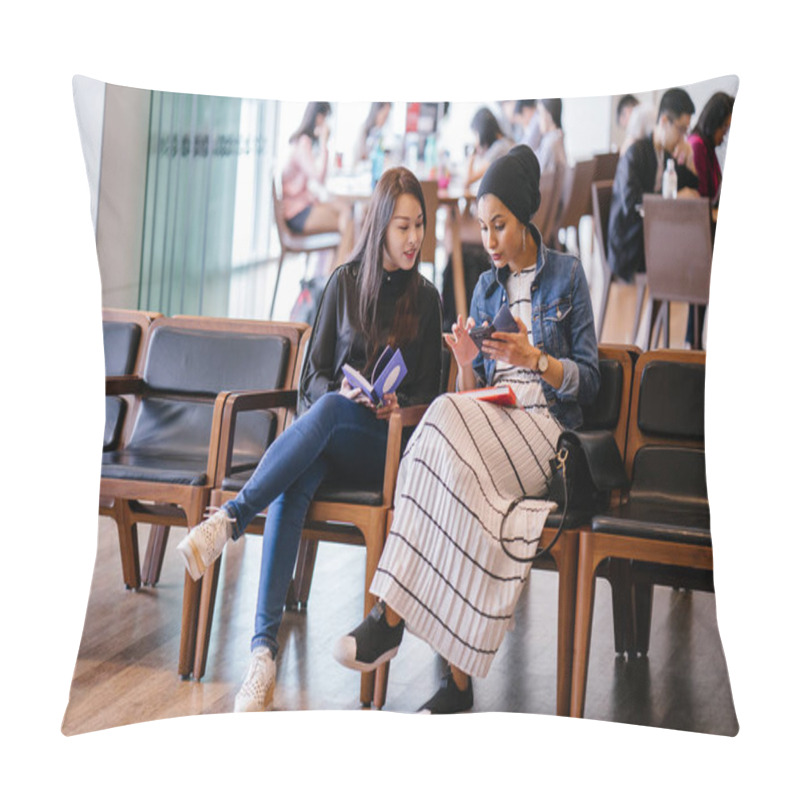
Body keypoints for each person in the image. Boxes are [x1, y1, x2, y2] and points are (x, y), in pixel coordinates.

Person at [333, 145, 600, 713]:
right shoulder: (484, 288)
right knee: (449, 452)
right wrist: (463, 363)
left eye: (499, 225)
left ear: (526, 216)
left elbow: (591, 384)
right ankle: (454, 684)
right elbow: (471, 391)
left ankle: (391, 616)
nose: (491, 240)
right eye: (483, 226)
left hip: (545, 429)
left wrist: (536, 361)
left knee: (441, 421)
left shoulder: (568, 278)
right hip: (493, 423)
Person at [176, 167, 443, 712]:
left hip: (385, 451)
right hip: (331, 433)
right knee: (298, 474)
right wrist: (347, 395)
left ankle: (230, 519)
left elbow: (432, 401)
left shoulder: (429, 298)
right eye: (401, 227)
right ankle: (262, 657)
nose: (413, 238)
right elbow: (310, 381)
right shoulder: (342, 284)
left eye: (418, 226)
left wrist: (394, 406)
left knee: (323, 417)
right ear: (379, 228)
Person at [607, 87, 700, 284]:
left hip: (651, 240)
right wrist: (673, 199)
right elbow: (633, 204)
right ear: (664, 122)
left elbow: (694, 184)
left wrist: (690, 157)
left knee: (694, 253)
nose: (683, 137)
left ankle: (673, 312)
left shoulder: (664, 155)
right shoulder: (635, 153)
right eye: (681, 130)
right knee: (692, 257)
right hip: (631, 248)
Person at [684, 91, 734, 347]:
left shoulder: (708, 148)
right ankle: (694, 340)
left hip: (705, 229)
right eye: (724, 126)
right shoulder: (698, 146)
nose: (725, 134)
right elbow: (703, 200)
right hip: (695, 236)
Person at [281, 101, 354, 269]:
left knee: (347, 212)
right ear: (319, 118)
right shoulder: (303, 143)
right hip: (298, 214)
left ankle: (334, 275)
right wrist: (323, 143)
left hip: (302, 207)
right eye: (326, 118)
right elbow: (319, 178)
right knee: (348, 220)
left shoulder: (301, 142)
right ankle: (337, 278)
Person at [464, 107, 514, 188]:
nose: (476, 139)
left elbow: (468, 180)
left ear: (481, 131)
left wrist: (472, 153)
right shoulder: (508, 142)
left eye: (476, 134)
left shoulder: (499, 148)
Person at [535, 98, 567, 173]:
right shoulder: (559, 136)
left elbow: (540, 173)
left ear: (548, 115)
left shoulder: (549, 141)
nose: (538, 119)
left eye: (540, 113)